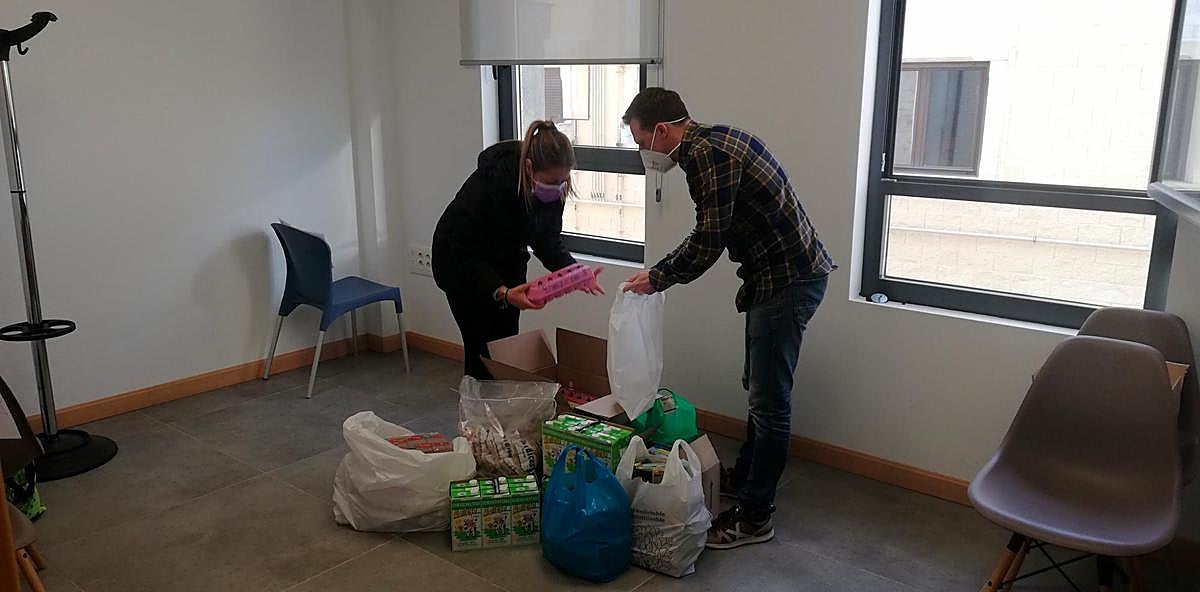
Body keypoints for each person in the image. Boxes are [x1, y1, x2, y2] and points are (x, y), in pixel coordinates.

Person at [621, 88, 836, 550]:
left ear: (662, 130)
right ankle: (750, 478)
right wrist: (661, 272)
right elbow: (710, 233)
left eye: (642, 142)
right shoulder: (719, 140)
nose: (644, 153)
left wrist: (659, 277)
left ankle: (756, 517)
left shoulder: (706, 156)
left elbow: (708, 239)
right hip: (782, 277)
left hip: (787, 281)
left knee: (769, 401)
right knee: (761, 392)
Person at [433, 121, 604, 379]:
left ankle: (502, 399)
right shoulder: (488, 185)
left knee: (506, 346)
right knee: (481, 350)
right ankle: (477, 401)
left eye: (563, 180)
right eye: (552, 181)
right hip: (460, 263)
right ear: (529, 167)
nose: (558, 187)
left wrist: (575, 272)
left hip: (507, 257)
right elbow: (463, 252)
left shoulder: (553, 189)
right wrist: (501, 291)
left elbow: (547, 241)